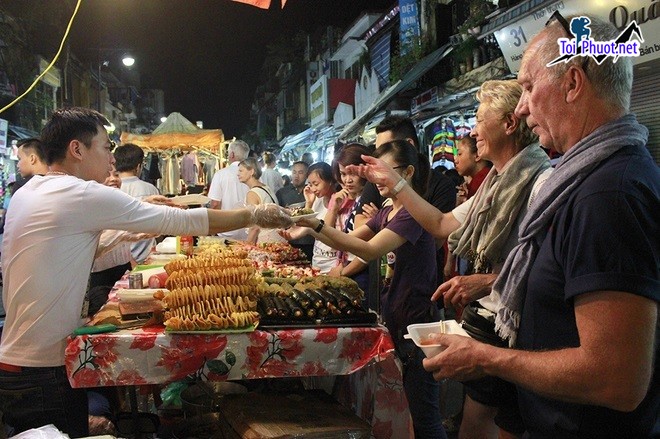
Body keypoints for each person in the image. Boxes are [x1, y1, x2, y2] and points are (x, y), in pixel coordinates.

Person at [424, 14, 659, 438]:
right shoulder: (583, 180)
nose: (520, 106)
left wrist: (485, 358)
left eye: (529, 87)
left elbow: (617, 380)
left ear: (572, 83)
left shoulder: (608, 196)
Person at [0, 107, 292, 438]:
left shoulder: (28, 192)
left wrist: (126, 233)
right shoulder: (78, 192)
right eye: (106, 147)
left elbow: (68, 255)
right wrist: (255, 215)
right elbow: (183, 222)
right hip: (43, 369)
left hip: (16, 362)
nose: (111, 159)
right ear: (76, 149)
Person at [349, 80, 551, 438]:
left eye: (478, 118)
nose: (472, 131)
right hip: (488, 320)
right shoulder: (495, 183)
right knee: (477, 423)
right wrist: (395, 184)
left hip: (517, 327)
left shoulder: (540, 181)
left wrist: (489, 280)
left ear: (508, 124)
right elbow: (442, 224)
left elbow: (547, 263)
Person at [291, 140, 446, 439]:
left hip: (417, 323)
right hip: (396, 317)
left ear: (409, 172)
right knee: (406, 410)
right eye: (374, 172)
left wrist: (316, 226)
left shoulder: (412, 215)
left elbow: (367, 249)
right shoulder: (387, 210)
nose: (375, 179)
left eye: (383, 172)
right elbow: (348, 239)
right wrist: (312, 223)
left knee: (425, 416)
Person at [325, 144, 371, 293]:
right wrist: (334, 208)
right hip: (348, 268)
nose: (347, 180)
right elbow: (326, 236)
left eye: (352, 174)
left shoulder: (369, 202)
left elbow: (366, 251)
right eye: (343, 174)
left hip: (361, 274)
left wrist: (342, 272)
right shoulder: (354, 199)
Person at [114, 143, 161, 264]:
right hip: (146, 257)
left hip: (119, 260)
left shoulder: (110, 189)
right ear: (138, 166)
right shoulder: (150, 190)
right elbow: (159, 224)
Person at [208, 139, 251, 241]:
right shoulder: (253, 175)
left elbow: (215, 203)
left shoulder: (221, 174)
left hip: (226, 230)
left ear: (231, 154)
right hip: (248, 231)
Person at [237, 157, 281, 244]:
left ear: (252, 172)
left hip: (265, 241)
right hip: (277, 238)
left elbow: (254, 226)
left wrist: (248, 244)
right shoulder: (265, 187)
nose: (237, 174)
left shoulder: (252, 193)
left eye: (241, 171)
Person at [276, 161, 313, 260]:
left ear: (307, 175)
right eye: (294, 172)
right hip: (289, 241)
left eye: (300, 173)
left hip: (309, 241)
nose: (296, 176)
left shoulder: (313, 192)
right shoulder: (282, 193)